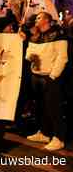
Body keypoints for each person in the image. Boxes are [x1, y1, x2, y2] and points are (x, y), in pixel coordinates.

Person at [26, 12, 67, 151]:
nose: (36, 20)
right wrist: (30, 57)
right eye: (36, 18)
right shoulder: (36, 36)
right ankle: (44, 133)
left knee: (54, 108)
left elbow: (62, 57)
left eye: (39, 17)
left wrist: (53, 76)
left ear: (47, 20)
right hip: (36, 76)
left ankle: (59, 138)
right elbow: (28, 54)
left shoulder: (58, 34)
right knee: (41, 107)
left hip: (50, 77)